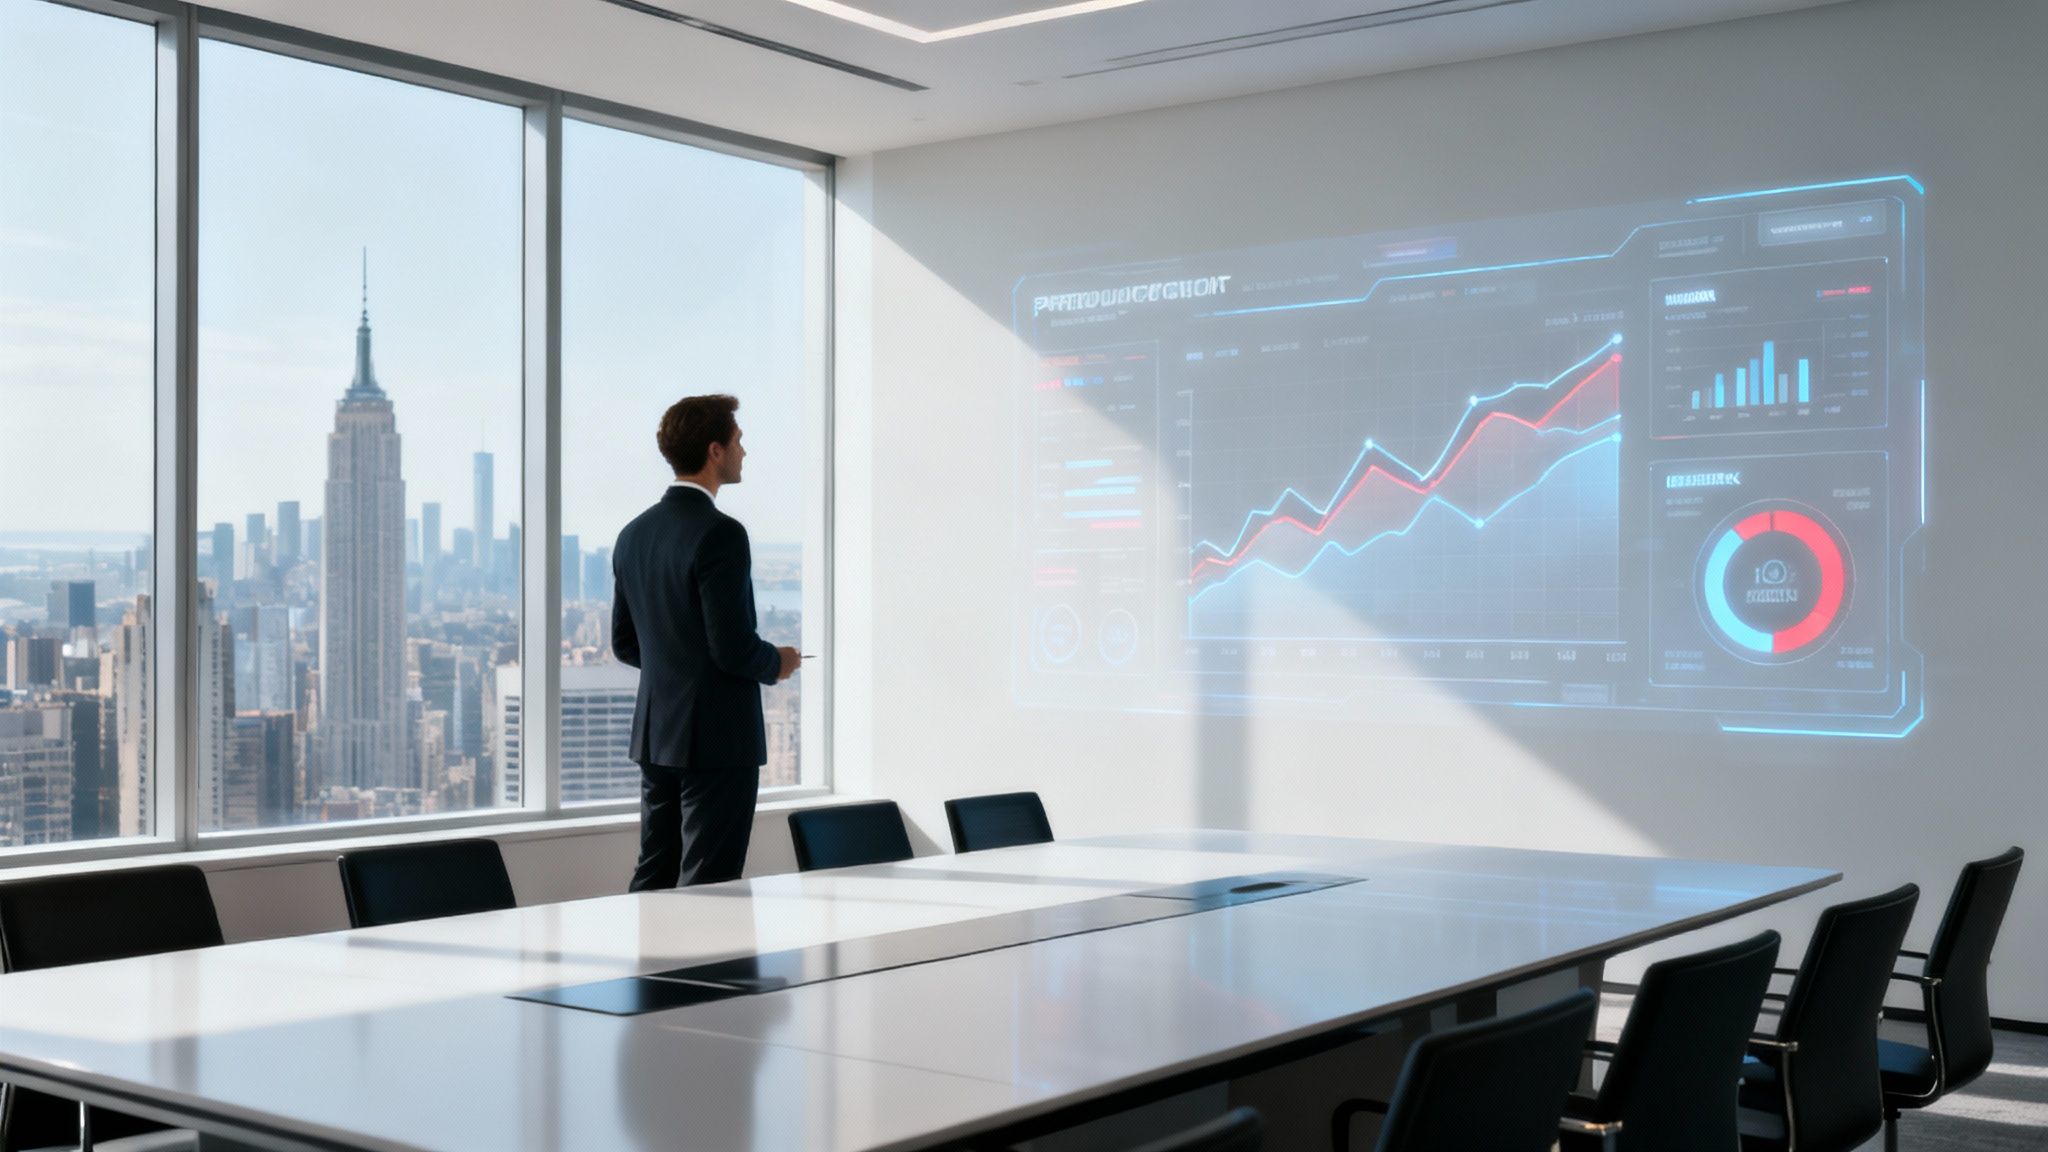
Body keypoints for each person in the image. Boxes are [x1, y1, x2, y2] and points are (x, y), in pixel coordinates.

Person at [612, 394, 800, 890]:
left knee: (654, 870)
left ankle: (644, 946)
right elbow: (732, 648)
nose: (744, 451)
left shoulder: (632, 535)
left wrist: (678, 669)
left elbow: (625, 644)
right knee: (711, 883)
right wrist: (778, 662)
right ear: (715, 451)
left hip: (657, 734)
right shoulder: (722, 534)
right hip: (718, 739)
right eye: (738, 440)